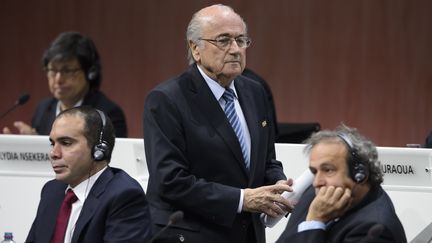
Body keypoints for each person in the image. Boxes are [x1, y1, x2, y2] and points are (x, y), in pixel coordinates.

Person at [143, 4, 293, 243]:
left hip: (248, 235)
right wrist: (243, 200)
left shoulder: (255, 91)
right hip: (191, 234)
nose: (235, 49)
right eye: (223, 40)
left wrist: (277, 184)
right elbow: (170, 180)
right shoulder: (167, 99)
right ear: (195, 49)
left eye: (241, 40)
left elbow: (266, 160)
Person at [25, 106, 151, 243]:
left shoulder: (123, 195)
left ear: (99, 149)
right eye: (52, 143)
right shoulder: (52, 191)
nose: (54, 153)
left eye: (66, 143)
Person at [276, 125, 407, 243]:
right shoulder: (315, 195)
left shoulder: (376, 231)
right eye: (314, 172)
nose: (317, 182)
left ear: (360, 175)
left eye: (328, 170)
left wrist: (314, 221)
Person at [2, 32, 127, 137]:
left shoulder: (107, 115)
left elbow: (109, 163)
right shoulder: (43, 109)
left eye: (67, 71)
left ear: (90, 72)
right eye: (52, 70)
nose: (58, 79)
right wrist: (28, 146)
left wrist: (42, 149)